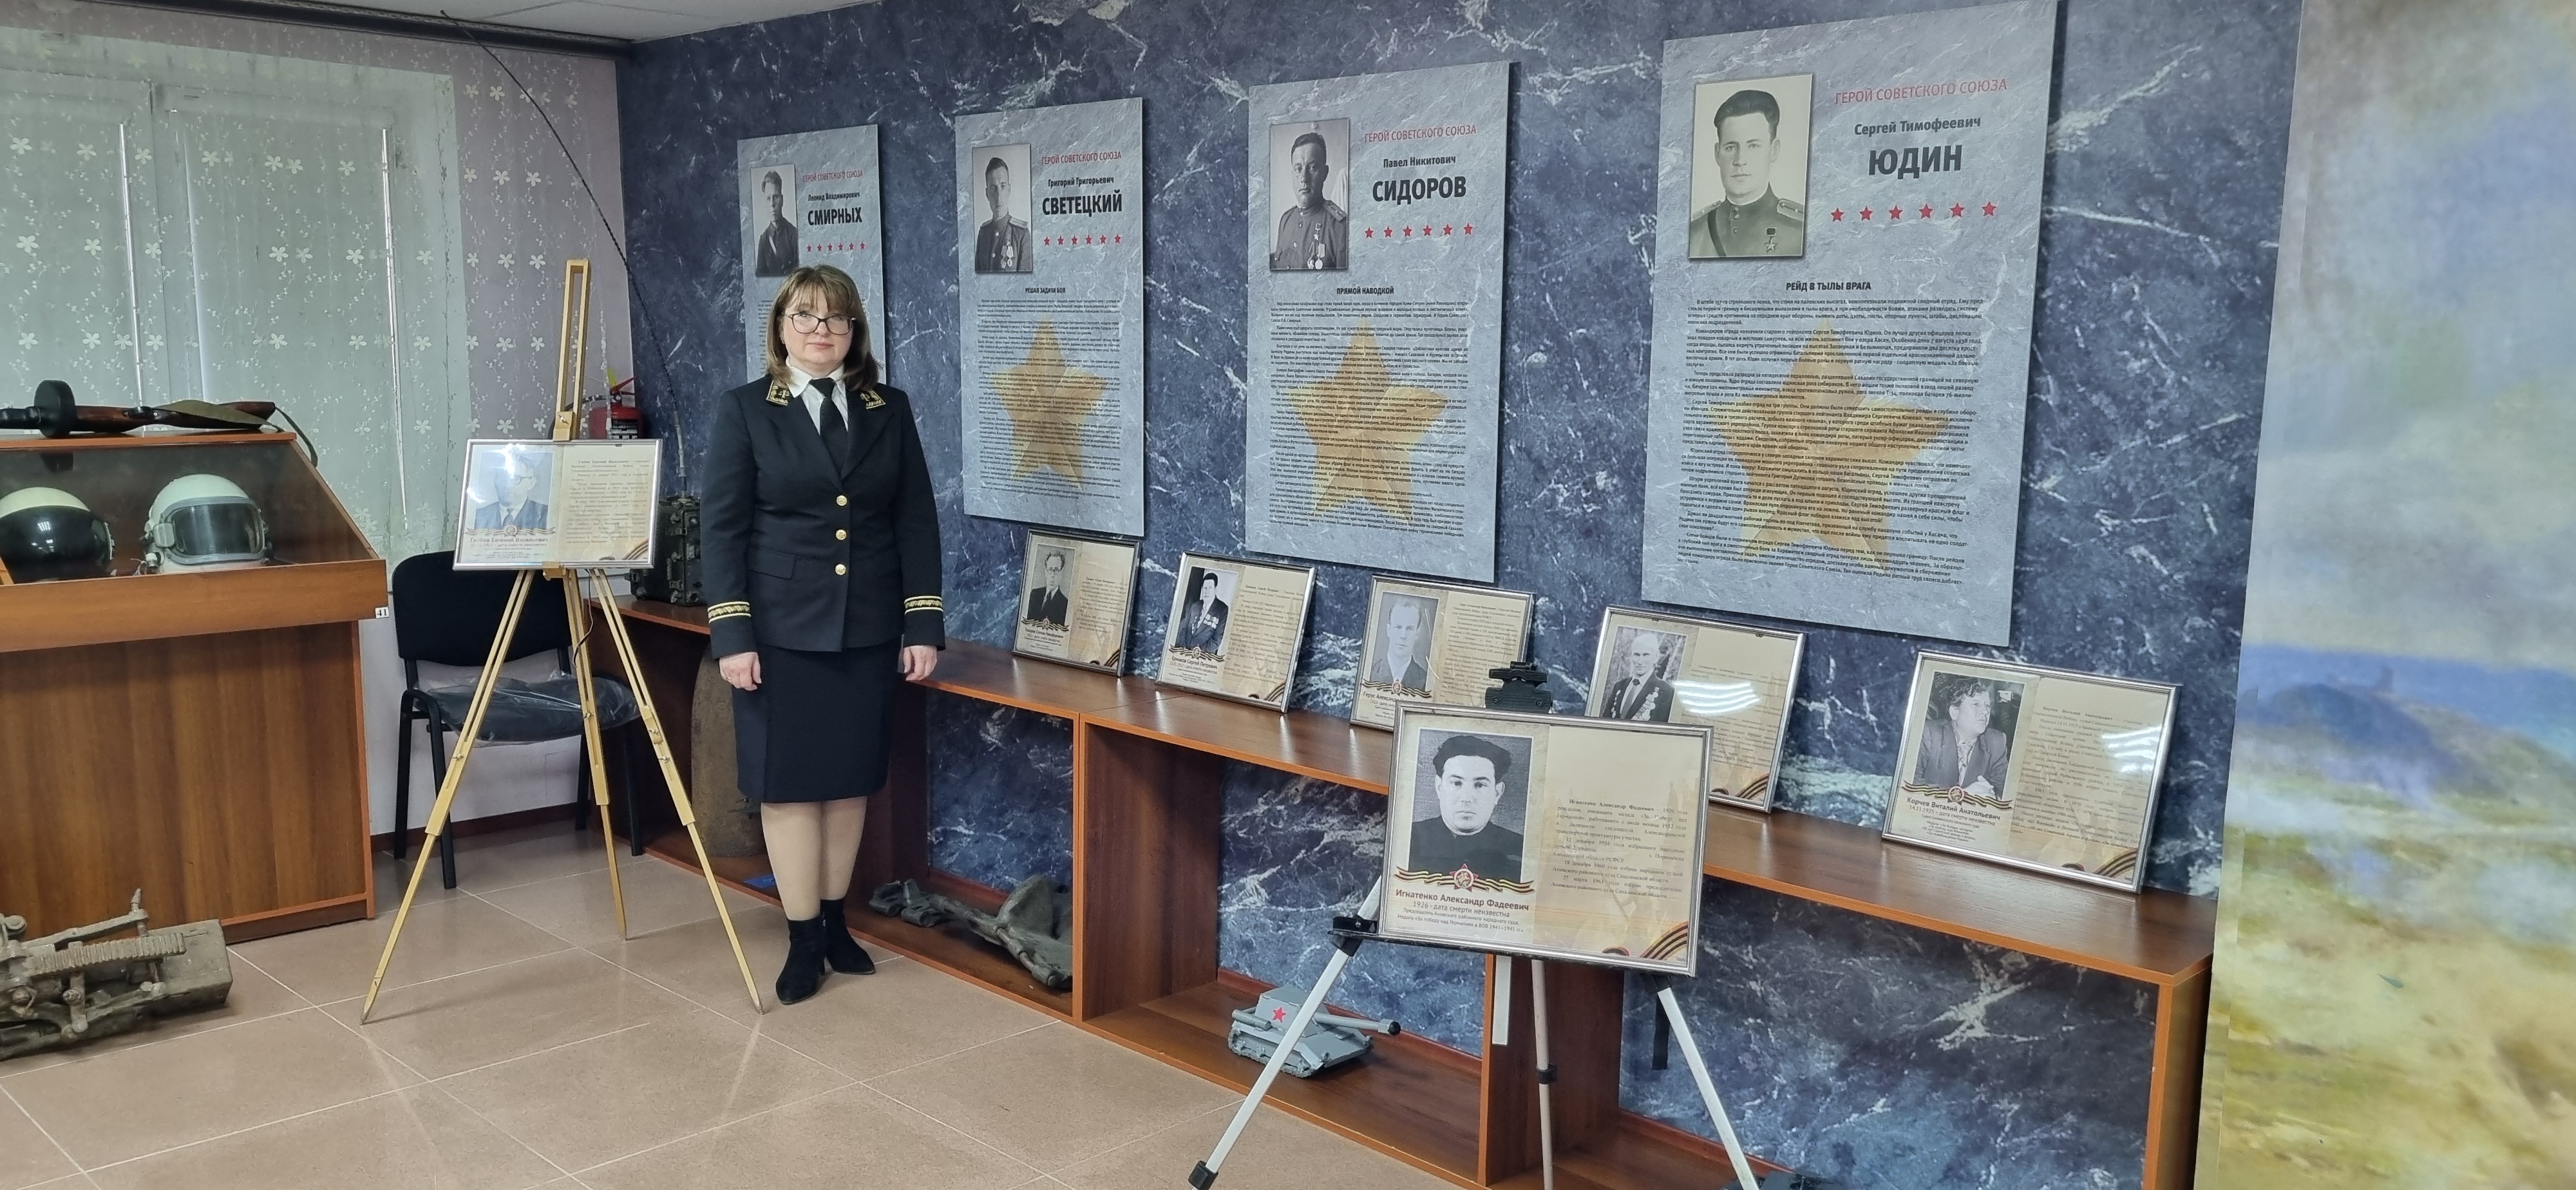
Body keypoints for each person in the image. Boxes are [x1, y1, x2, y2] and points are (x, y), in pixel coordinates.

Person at [701, 263, 944, 1005]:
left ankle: (836, 923)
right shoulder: (747, 410)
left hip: (867, 628)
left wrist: (922, 623)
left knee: (847, 785)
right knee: (788, 787)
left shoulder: (887, 408)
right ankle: (803, 936)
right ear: (780, 329)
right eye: (804, 316)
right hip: (778, 634)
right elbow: (723, 530)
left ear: (853, 332)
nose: (821, 330)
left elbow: (915, 521)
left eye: (836, 319)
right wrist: (733, 634)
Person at [1688, 88, 1805, 258]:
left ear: (1774, 150)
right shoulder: (1694, 232)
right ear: (1717, 153)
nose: (1740, 160)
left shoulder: (1800, 230)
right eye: (1730, 148)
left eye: (1753, 146)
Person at [1406, 734, 1524, 882]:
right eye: (1456, 783)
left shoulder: (1519, 849)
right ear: (1439, 787)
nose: (1466, 798)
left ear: (1497, 793)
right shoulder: (1410, 838)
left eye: (1480, 785)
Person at [1915, 679, 2011, 801]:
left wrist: (1993, 796)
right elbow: (1911, 782)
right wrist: (1962, 796)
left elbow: (2004, 791)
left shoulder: (1997, 742)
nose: (1986, 711)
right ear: (1955, 713)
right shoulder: (1930, 734)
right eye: (1976, 704)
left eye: (1987, 705)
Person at [1269, 131, 1348, 271]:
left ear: (1325, 173)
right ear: (1292, 175)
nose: (1304, 178)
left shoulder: (1340, 228)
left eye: (1312, 168)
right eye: (1298, 169)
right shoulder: (1286, 220)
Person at [974, 156, 1032, 274]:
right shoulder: (983, 233)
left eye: (1003, 186)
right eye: (993, 188)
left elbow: (1025, 282)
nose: (998, 196)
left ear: (1009, 190)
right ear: (987, 194)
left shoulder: (1021, 235)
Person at [1602, 632, 1676, 721]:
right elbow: (1605, 721)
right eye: (1636, 655)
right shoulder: (1619, 686)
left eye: (1646, 655)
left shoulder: (1666, 691)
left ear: (1656, 656)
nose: (1640, 662)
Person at [470, 453, 549, 531]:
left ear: (531, 483)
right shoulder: (478, 516)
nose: (507, 485)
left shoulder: (546, 515)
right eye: (502, 478)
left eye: (516, 479)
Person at [1368, 596, 1432, 692]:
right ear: (1389, 630)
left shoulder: (1426, 681)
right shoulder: (1369, 672)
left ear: (1417, 633)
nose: (1403, 636)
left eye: (1409, 629)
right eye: (1398, 627)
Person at [754, 170, 799, 277]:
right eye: (768, 199)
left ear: (782, 200)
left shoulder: (794, 235)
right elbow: (760, 278)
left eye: (776, 197)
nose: (772, 204)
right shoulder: (764, 240)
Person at [1173, 570, 1230, 654]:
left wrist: (1197, 651)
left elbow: (1217, 640)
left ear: (1215, 589)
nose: (1207, 591)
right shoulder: (1195, 606)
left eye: (1210, 588)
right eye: (1205, 588)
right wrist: (1184, 648)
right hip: (1185, 652)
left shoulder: (1222, 609)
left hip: (1204, 656)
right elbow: (1184, 628)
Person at [1025, 549, 1070, 626]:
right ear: (1046, 572)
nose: (1052, 575)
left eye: (1056, 570)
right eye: (1050, 569)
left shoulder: (1065, 604)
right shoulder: (1034, 595)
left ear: (1061, 573)